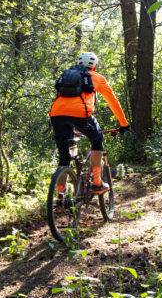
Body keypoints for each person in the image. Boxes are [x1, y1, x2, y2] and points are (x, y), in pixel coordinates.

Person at [49, 52, 130, 194]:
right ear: (94, 65)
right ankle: (97, 183)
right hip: (81, 114)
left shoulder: (67, 75)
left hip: (56, 114)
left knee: (64, 157)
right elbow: (113, 101)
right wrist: (123, 123)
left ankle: (60, 197)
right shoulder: (97, 77)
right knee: (97, 139)